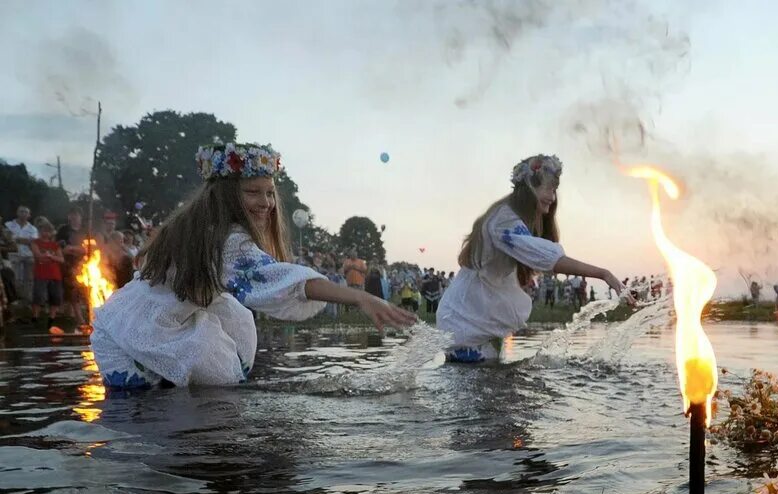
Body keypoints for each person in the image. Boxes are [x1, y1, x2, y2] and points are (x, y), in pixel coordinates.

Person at [90, 142, 416, 389]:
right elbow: (281, 280)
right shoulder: (225, 240)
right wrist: (360, 297)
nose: (266, 203)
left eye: (270, 193)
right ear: (227, 196)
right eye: (253, 192)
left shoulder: (193, 227)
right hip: (139, 335)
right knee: (159, 413)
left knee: (229, 326)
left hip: (130, 322)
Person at [436, 154, 622, 362]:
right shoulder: (504, 220)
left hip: (473, 316)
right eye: (549, 189)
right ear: (530, 187)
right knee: (484, 382)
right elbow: (545, 256)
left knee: (491, 381)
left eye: (555, 190)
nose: (552, 198)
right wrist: (603, 273)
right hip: (466, 320)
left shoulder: (510, 218)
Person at [29, 217, 65, 321]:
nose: (46, 233)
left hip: (55, 274)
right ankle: (35, 316)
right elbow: (38, 255)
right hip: (41, 273)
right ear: (39, 231)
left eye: (48, 231)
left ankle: (51, 317)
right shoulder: (35, 242)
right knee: (38, 295)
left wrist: (51, 257)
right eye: (43, 230)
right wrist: (49, 257)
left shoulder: (55, 245)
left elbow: (61, 259)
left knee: (55, 296)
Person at [5, 206, 38, 301]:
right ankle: (15, 299)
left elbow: (33, 242)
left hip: (28, 255)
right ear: (17, 213)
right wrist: (25, 240)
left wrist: (16, 239)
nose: (23, 214)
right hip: (14, 254)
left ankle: (27, 299)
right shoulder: (9, 225)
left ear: (29, 215)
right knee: (15, 277)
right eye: (21, 211)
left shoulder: (33, 229)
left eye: (26, 212)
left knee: (29, 279)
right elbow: (7, 239)